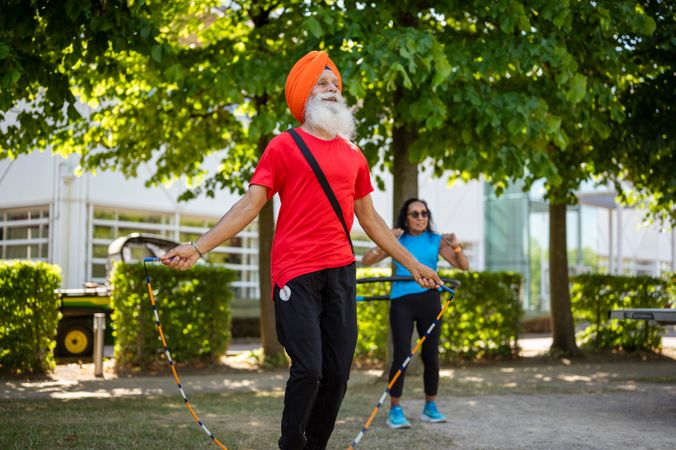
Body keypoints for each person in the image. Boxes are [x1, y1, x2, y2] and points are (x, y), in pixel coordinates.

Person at [160, 51, 442, 450]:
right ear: (304, 95)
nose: (332, 90)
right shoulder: (283, 146)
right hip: (295, 272)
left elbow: (372, 220)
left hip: (341, 272)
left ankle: (315, 444)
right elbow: (249, 205)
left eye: (335, 85)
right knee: (309, 369)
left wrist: (413, 264)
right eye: (322, 84)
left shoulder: (354, 155)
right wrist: (198, 247)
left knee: (338, 374)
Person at [361, 198, 469, 429]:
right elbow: (366, 260)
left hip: (430, 300)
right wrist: (385, 241)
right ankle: (395, 410)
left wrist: (457, 246)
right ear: (406, 218)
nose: (421, 218)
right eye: (415, 214)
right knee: (401, 355)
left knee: (431, 356)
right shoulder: (396, 240)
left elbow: (463, 266)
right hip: (402, 301)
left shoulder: (436, 240)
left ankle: (430, 407)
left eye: (424, 213)